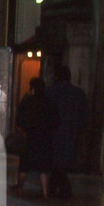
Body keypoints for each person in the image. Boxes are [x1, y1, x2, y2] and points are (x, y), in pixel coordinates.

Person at [12, 77, 60, 199]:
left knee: (24, 166)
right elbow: (56, 121)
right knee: (43, 168)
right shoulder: (49, 103)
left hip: (29, 138)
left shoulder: (27, 102)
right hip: (45, 139)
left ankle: (20, 188)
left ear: (32, 88)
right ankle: (45, 192)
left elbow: (19, 120)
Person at [48, 65, 89, 199]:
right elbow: (85, 116)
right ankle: (53, 188)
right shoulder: (79, 93)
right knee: (62, 163)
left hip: (55, 134)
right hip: (73, 133)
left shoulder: (52, 92)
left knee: (57, 163)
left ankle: (62, 189)